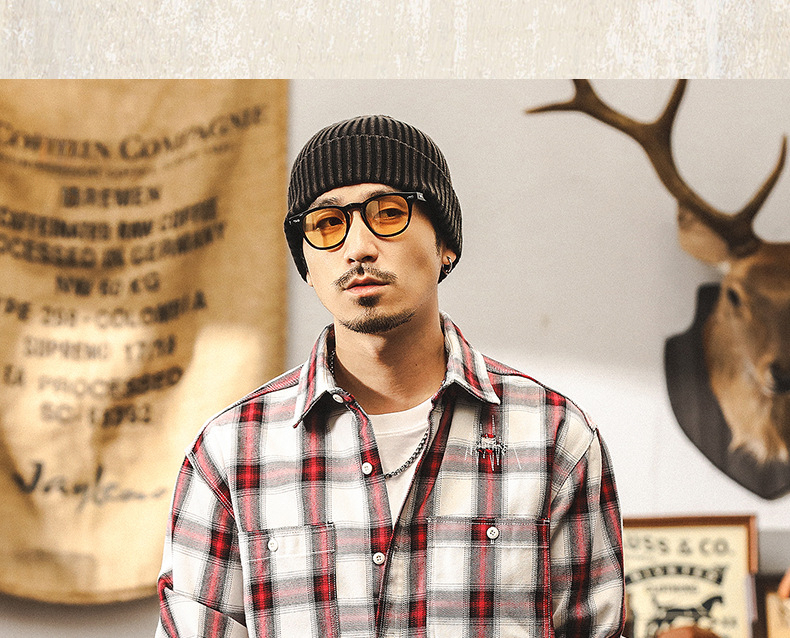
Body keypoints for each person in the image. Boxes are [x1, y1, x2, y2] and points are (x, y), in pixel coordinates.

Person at [156, 115, 625, 637]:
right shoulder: (232, 451)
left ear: (445, 244)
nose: (357, 247)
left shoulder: (553, 436)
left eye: (388, 213)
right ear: (306, 263)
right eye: (327, 224)